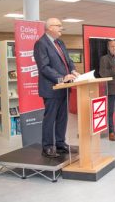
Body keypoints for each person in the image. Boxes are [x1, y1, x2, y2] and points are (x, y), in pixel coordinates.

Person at [34, 18, 79, 158]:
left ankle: (60, 144)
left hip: (64, 88)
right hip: (51, 88)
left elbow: (68, 60)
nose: (61, 28)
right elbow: (44, 67)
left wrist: (73, 71)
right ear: (49, 28)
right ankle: (47, 146)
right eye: (59, 26)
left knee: (62, 118)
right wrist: (61, 78)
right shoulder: (41, 43)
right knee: (50, 118)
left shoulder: (60, 42)